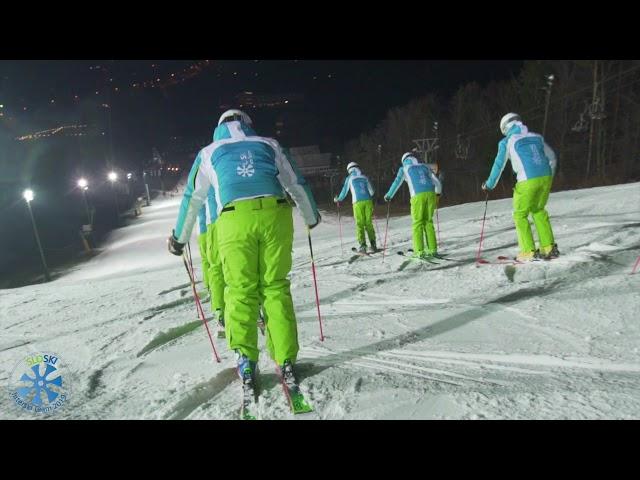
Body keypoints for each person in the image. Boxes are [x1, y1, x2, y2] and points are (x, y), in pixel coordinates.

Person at [167, 109, 320, 391]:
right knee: (275, 287)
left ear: (219, 128)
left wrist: (179, 238)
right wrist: (311, 216)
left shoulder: (209, 152)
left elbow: (193, 197)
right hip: (275, 215)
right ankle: (285, 358)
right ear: (248, 125)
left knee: (240, 290)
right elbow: (296, 182)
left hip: (234, 220)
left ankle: (246, 359)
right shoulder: (269, 144)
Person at [482, 112, 559, 261]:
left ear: (505, 128)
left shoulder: (507, 141)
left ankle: (528, 251)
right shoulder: (536, 137)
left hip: (527, 180)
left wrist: (489, 185)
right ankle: (549, 247)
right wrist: (548, 177)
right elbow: (552, 157)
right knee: (538, 210)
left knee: (520, 214)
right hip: (545, 177)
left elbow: (499, 165)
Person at [384, 152, 442, 259]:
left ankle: (419, 251)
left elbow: (397, 182)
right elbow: (437, 183)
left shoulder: (404, 168)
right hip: (431, 195)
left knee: (417, 223)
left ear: (404, 160)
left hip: (417, 197)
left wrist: (389, 195)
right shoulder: (424, 167)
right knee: (428, 222)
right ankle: (433, 250)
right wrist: (437, 194)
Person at [334, 162, 377, 253]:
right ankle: (373, 244)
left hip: (357, 202)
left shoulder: (349, 178)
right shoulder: (364, 177)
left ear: (349, 170)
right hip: (368, 201)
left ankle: (363, 245)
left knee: (360, 224)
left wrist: (338, 199)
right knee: (368, 223)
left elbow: (344, 191)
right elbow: (372, 191)